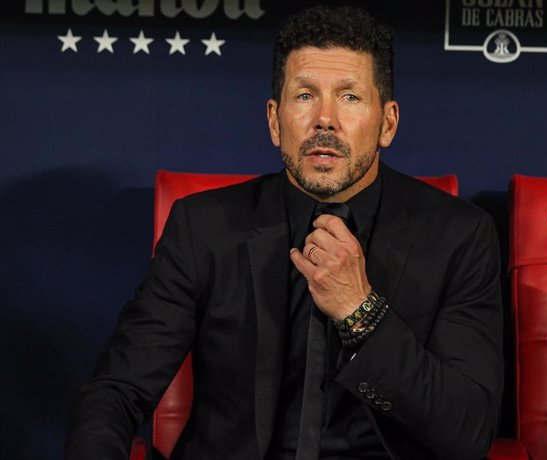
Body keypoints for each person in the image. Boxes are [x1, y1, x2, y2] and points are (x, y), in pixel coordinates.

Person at [65, 5, 503, 460]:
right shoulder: (204, 227)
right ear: (274, 121)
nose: (325, 120)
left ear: (387, 123)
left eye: (350, 97)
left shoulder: (458, 236)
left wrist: (361, 312)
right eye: (304, 95)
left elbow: (468, 431)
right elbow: (114, 391)